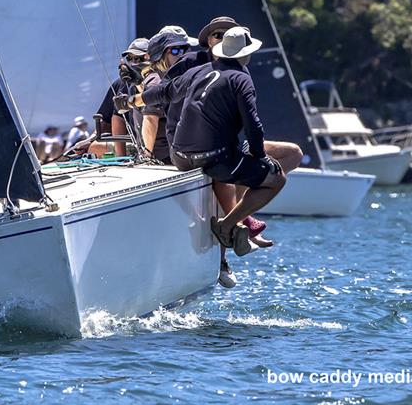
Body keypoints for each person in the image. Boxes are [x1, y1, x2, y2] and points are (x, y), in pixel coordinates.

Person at [118, 26, 301, 262]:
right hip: (212, 158)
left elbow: (163, 92)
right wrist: (261, 157)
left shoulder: (199, 71)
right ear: (245, 54)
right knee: (275, 179)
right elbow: (253, 126)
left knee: (239, 167)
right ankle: (227, 226)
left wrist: (131, 100)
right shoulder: (241, 78)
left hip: (180, 157)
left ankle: (238, 227)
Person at [119, 26, 193, 164]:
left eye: (185, 49)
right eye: (130, 58)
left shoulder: (155, 81)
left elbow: (151, 119)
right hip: (170, 154)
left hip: (163, 157)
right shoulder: (155, 80)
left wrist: (147, 155)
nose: (134, 63)